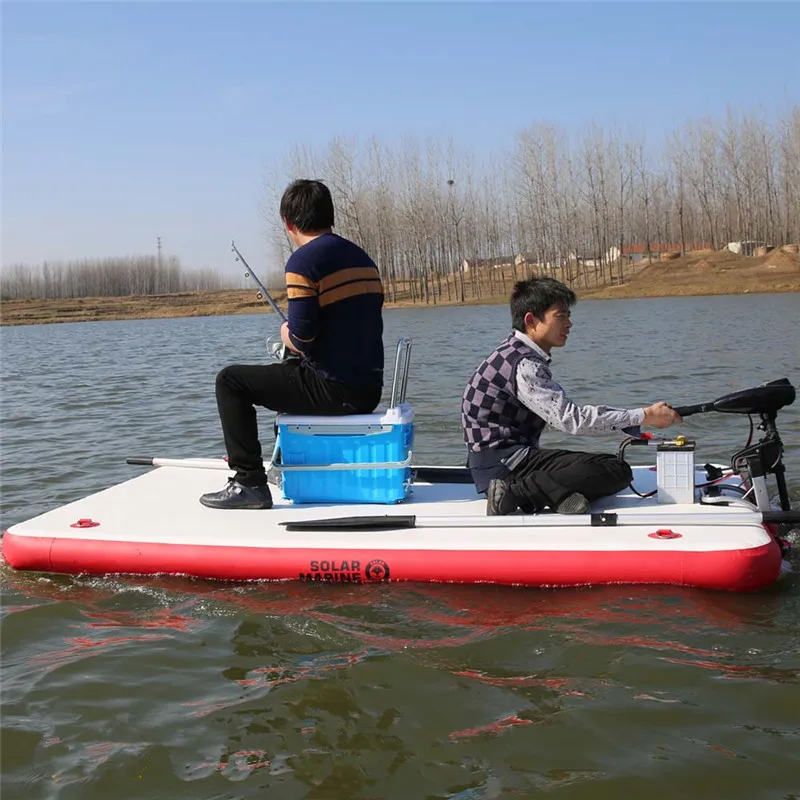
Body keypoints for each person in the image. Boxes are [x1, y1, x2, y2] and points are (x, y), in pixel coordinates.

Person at [200, 179, 384, 509]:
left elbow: (302, 338)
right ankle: (284, 464)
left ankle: (248, 481)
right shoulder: (363, 259)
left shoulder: (302, 263)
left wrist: (286, 333)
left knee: (230, 381)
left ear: (288, 222)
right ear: (331, 216)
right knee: (287, 369)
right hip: (368, 389)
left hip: (335, 390)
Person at [460, 276, 681, 516]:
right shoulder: (525, 364)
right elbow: (572, 420)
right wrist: (644, 416)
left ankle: (556, 496)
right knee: (616, 470)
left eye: (569, 316)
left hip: (492, 463)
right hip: (504, 467)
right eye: (561, 316)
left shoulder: (510, 351)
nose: (569, 324)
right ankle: (515, 494)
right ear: (531, 320)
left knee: (597, 470)